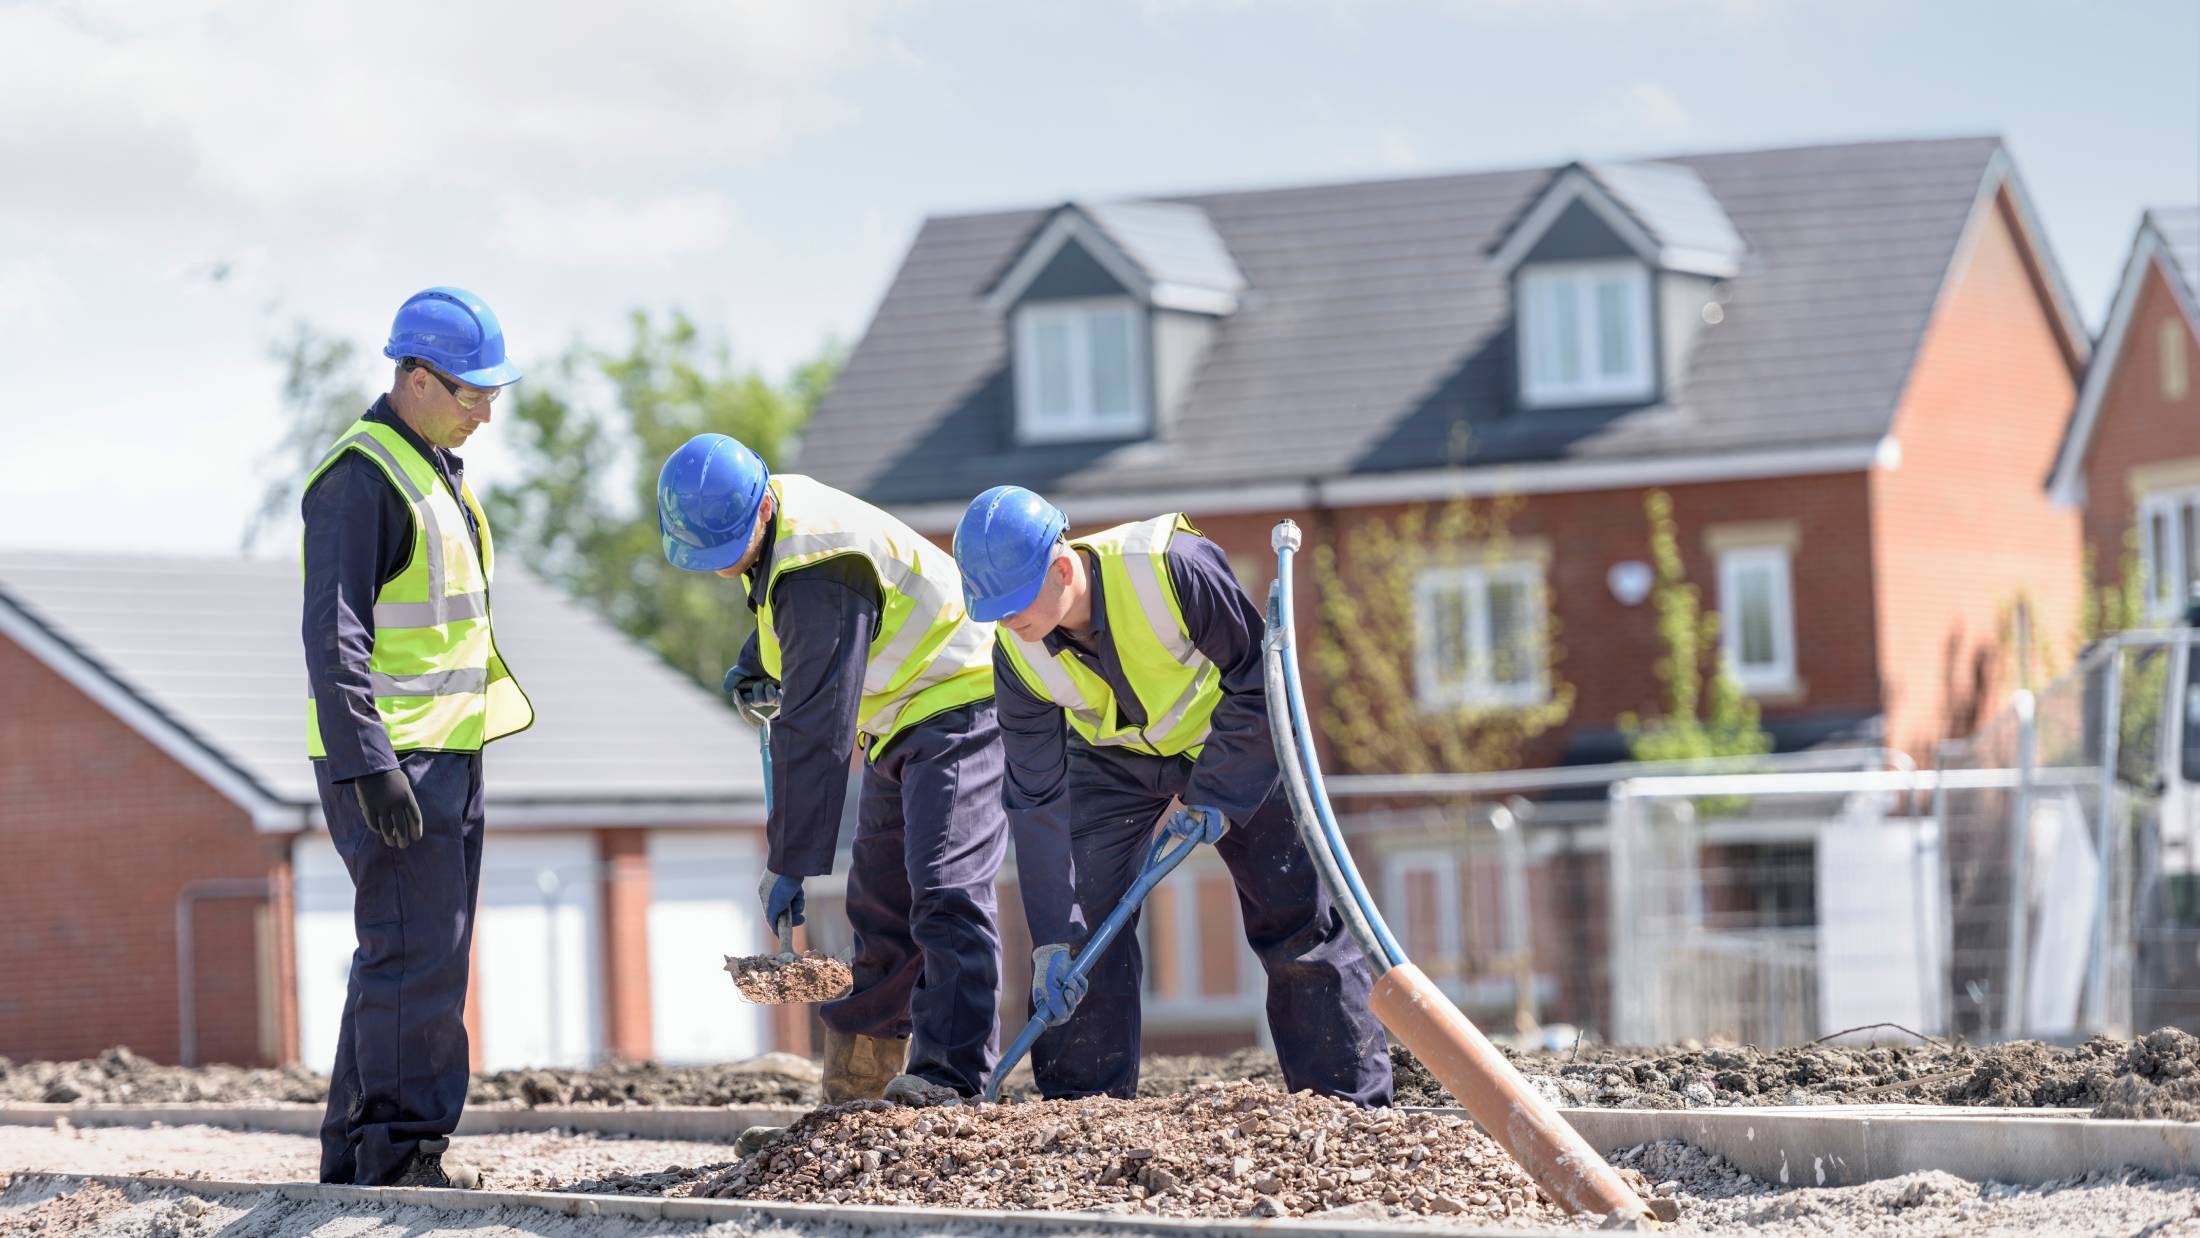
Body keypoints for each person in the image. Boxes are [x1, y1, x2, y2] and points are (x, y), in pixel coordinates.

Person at [952, 485, 1392, 1104]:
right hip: (1112, 762)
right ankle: (1085, 1112)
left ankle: (1347, 1103)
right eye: (991, 609)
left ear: (1060, 567)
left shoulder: (1170, 566)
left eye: (1013, 602)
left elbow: (1260, 681)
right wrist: (1053, 935)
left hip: (1234, 740)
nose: (1005, 621)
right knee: (1083, 934)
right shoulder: (1016, 655)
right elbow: (1034, 796)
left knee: (1297, 921)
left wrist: (1214, 792)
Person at [657, 434, 1008, 1104]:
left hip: (960, 699)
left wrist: (789, 858)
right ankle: (858, 1098)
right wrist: (758, 659)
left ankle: (953, 1082)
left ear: (761, 509)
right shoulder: (777, 528)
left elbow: (817, 730)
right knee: (879, 906)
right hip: (900, 716)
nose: (720, 568)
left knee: (945, 889)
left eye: (726, 550)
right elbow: (795, 621)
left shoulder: (820, 564)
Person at [302, 286, 533, 1187]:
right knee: (418, 958)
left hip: (443, 754)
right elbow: (335, 635)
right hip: (395, 763)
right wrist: (370, 765)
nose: (488, 409)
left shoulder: (431, 465)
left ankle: (357, 1154)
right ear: (417, 378)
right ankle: (402, 1157)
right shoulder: (362, 478)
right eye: (473, 391)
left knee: (402, 954)